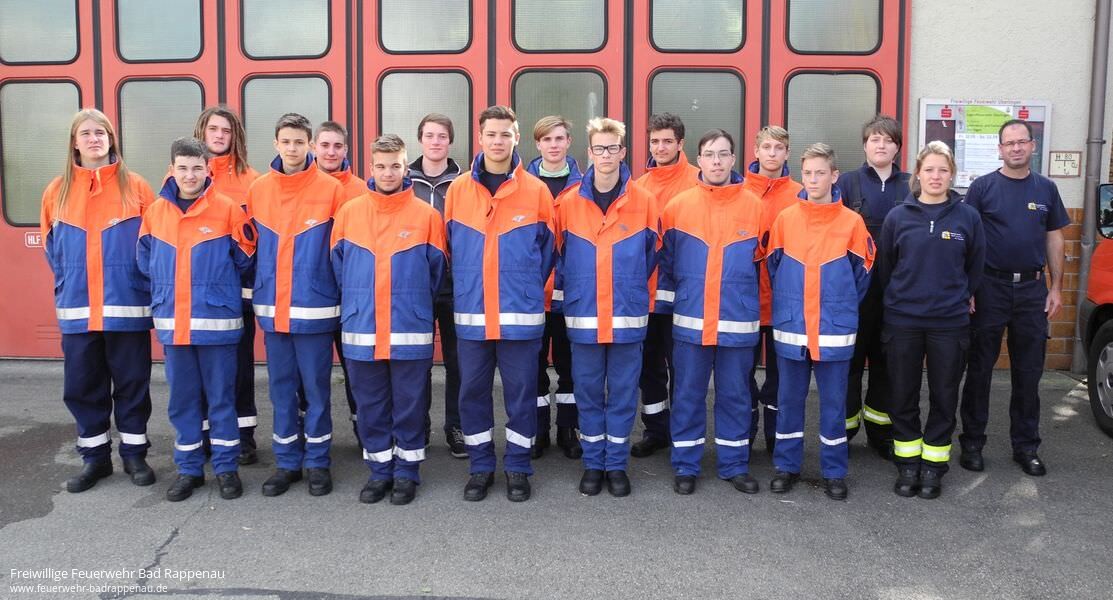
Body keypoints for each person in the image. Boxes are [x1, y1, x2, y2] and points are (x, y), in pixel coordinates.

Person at [40, 108, 156, 493]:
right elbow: (52, 250)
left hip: (127, 307)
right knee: (82, 387)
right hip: (78, 310)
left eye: (100, 133)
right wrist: (70, 285)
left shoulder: (136, 187)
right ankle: (95, 459)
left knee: (132, 385)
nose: (94, 139)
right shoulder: (56, 191)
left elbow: (152, 245)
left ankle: (134, 455)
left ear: (111, 139)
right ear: (74, 143)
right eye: (86, 133)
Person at [445, 105, 555, 502]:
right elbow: (449, 249)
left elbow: (548, 253)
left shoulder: (537, 191)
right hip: (473, 315)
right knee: (472, 394)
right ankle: (480, 467)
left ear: (516, 137)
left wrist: (523, 288)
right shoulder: (458, 191)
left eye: (505, 134)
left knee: (521, 396)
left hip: (520, 316)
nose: (497, 141)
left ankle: (518, 467)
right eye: (491, 134)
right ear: (480, 138)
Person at [137, 137, 256, 502]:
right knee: (183, 403)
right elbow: (145, 263)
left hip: (217, 326)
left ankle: (226, 469)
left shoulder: (229, 210)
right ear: (172, 170)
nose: (190, 175)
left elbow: (246, 260)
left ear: (208, 170)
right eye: (183, 168)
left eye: (197, 168)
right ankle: (189, 470)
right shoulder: (155, 213)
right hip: (175, 326)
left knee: (221, 400)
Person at [331, 134, 447, 505]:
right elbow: (339, 268)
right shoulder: (349, 213)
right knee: (370, 405)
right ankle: (379, 471)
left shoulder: (426, 216)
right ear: (371, 167)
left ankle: (407, 473)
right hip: (362, 328)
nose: (388, 173)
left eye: (395, 165)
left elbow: (436, 273)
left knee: (410, 405)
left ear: (405, 166)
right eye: (381, 166)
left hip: (408, 328)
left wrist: (411, 304)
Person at [959, 119, 1069, 476]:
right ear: (1000, 149)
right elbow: (968, 240)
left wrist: (1056, 287)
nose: (1016, 148)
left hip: (1032, 292)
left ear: (1032, 146)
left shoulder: (1046, 189)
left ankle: (1026, 446)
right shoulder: (982, 188)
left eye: (1022, 142)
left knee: (1028, 373)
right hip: (988, 289)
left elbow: (1054, 237)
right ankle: (972, 443)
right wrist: (969, 288)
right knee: (979, 370)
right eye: (1009, 143)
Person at [554, 117, 657, 497]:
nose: (607, 155)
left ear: (623, 151)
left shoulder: (644, 201)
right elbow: (559, 257)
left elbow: (653, 256)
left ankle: (616, 465)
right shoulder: (568, 203)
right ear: (590, 152)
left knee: (624, 394)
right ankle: (592, 464)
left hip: (627, 315)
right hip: (584, 316)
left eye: (613, 148)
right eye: (600, 148)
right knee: (588, 394)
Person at [657, 129, 764, 496]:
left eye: (723, 154)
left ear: (733, 158)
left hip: (738, 321)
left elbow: (766, 267)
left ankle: (734, 465)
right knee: (687, 395)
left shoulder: (756, 207)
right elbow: (666, 265)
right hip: (691, 321)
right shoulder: (677, 207)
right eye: (709, 154)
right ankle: (685, 465)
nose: (716, 161)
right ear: (698, 159)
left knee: (735, 396)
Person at [246, 113, 347, 497]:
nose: (292, 148)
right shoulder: (258, 189)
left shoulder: (332, 190)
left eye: (299, 142)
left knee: (317, 392)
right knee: (281, 391)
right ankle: (287, 463)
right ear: (276, 144)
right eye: (286, 141)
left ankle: (318, 463)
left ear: (311, 146)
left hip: (315, 309)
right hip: (273, 311)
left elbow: (341, 250)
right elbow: (250, 249)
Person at [766, 143, 873, 501]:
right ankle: (786, 467)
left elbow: (862, 276)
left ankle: (834, 471)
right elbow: (774, 267)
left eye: (820, 173)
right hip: (793, 327)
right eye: (808, 173)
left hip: (832, 330)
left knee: (834, 405)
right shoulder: (785, 220)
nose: (813, 180)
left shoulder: (852, 223)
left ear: (834, 176)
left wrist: (837, 308)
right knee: (789, 400)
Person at [880, 141, 984, 499]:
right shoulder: (898, 217)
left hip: (949, 322)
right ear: (918, 174)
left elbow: (975, 267)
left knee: (944, 394)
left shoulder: (968, 217)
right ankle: (908, 463)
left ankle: (934, 466)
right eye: (929, 170)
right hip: (903, 320)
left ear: (951, 174)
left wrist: (959, 295)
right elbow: (886, 268)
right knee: (902, 393)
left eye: (943, 170)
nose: (936, 176)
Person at [193, 106, 262, 465]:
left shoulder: (252, 180)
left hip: (238, 292)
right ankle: (206, 433)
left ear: (236, 136)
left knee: (239, 366)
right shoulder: (184, 175)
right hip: (197, 294)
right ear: (201, 132)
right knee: (202, 369)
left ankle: (243, 435)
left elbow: (258, 239)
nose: (219, 136)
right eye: (213, 129)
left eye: (226, 130)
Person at [840, 115, 911, 458]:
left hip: (896, 292)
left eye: (888, 140)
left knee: (887, 364)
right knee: (850, 362)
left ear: (898, 147)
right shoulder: (847, 183)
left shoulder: (911, 185)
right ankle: (843, 430)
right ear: (864, 145)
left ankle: (881, 433)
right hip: (855, 292)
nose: (881, 145)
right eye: (874, 139)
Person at [630, 112, 700, 458]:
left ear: (680, 143)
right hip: (646, 297)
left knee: (683, 371)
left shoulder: (698, 180)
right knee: (650, 370)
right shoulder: (639, 186)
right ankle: (656, 430)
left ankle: (683, 436)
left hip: (684, 297)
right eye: (655, 141)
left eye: (667, 141)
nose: (660, 147)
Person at [408, 113, 466, 458]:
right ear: (420, 140)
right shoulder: (404, 180)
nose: (435, 141)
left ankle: (456, 427)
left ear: (450, 141)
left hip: (455, 283)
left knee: (458, 361)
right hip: (415, 284)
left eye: (442, 136)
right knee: (418, 359)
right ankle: (419, 424)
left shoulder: (464, 182)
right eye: (429, 135)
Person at [742, 125, 802, 452]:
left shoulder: (800, 194)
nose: (772, 153)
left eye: (779, 148)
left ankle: (776, 438)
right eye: (766, 147)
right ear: (756, 151)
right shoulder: (738, 190)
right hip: (745, 301)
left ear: (787, 153)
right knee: (742, 375)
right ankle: (744, 436)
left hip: (785, 303)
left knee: (781, 377)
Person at [527, 115, 584, 459]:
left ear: (568, 142)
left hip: (569, 294)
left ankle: (567, 429)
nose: (553, 145)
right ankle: (537, 431)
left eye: (559, 138)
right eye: (546, 139)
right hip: (531, 294)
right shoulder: (522, 185)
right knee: (533, 369)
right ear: (537, 144)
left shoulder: (584, 186)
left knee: (569, 368)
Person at [309, 121, 365, 440]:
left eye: (338, 146)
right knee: (310, 375)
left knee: (357, 371)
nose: (331, 152)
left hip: (352, 298)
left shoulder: (361, 190)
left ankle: (365, 431)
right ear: (314, 147)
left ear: (346, 149)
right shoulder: (300, 186)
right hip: (312, 296)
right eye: (325, 145)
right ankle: (313, 435)